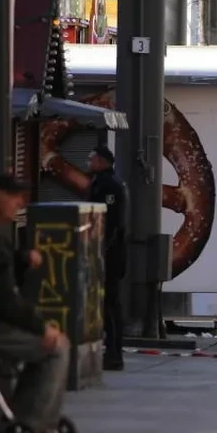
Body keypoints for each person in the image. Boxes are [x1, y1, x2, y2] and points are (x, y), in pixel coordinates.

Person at [0, 175, 72, 433]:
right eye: (14, 196)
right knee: (56, 348)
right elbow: (3, 300)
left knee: (50, 344)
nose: (20, 203)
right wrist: (41, 327)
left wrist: (21, 260)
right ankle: (32, 424)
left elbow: (1, 281)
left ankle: (21, 418)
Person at [87, 145, 129, 371]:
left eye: (92, 159)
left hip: (110, 256)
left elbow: (112, 223)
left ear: (102, 161)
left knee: (110, 304)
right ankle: (109, 350)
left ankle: (114, 354)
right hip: (105, 253)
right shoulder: (101, 183)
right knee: (105, 304)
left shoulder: (110, 185)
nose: (88, 163)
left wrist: (100, 250)